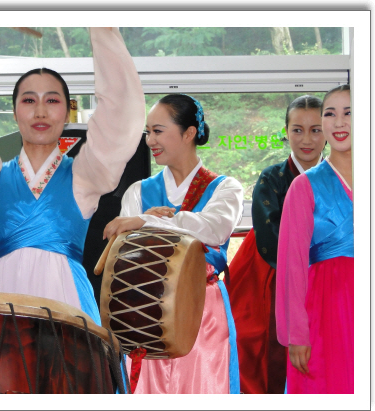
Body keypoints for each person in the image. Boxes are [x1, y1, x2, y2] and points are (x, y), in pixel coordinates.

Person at [0, 28, 145, 325]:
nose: (40, 111)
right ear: (14, 112)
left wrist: (100, 27)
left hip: (70, 312)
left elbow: (120, 106)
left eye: (52, 101)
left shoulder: (84, 176)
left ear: (67, 113)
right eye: (29, 101)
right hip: (3, 314)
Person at [103, 94, 243, 394]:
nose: (149, 140)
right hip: (144, 307)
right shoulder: (138, 191)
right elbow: (123, 254)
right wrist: (145, 221)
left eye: (158, 131)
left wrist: (146, 222)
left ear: (188, 133)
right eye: (148, 132)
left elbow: (214, 230)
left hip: (202, 308)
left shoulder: (225, 188)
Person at [226, 95, 326, 394]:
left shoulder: (342, 176)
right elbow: (270, 232)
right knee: (258, 340)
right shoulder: (272, 177)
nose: (306, 139)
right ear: (286, 132)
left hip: (327, 267)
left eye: (316, 130)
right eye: (297, 130)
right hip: (272, 268)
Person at [276, 85, 353, 394]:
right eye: (330, 114)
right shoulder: (303, 187)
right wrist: (296, 333)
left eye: (349, 112)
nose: (339, 122)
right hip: (326, 309)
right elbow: (291, 265)